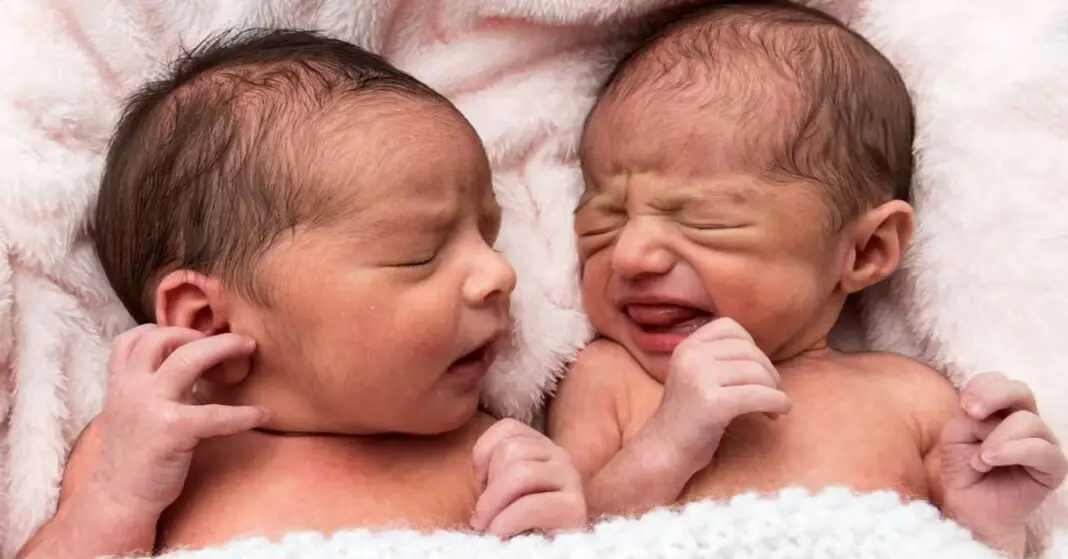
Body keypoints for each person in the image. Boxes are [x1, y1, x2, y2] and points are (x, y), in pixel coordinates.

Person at [17, 29, 585, 558]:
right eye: (421, 253)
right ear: (209, 321)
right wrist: (115, 504)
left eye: (489, 237)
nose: (499, 274)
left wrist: (563, 528)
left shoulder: (493, 458)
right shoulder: (144, 459)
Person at [547, 3, 1066, 557]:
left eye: (704, 220)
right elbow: (566, 534)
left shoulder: (912, 399)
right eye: (604, 218)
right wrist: (669, 442)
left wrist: (990, 523)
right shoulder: (610, 381)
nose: (630, 255)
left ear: (867, 249)